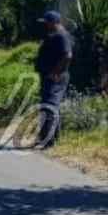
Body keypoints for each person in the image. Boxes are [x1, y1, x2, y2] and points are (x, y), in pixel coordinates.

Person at [35, 10, 74, 149]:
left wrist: (56, 72)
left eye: (47, 23)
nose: (45, 25)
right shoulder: (54, 35)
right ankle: (47, 138)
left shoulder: (61, 36)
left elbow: (68, 55)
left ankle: (48, 140)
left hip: (56, 77)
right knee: (49, 106)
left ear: (54, 22)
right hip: (50, 75)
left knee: (50, 106)